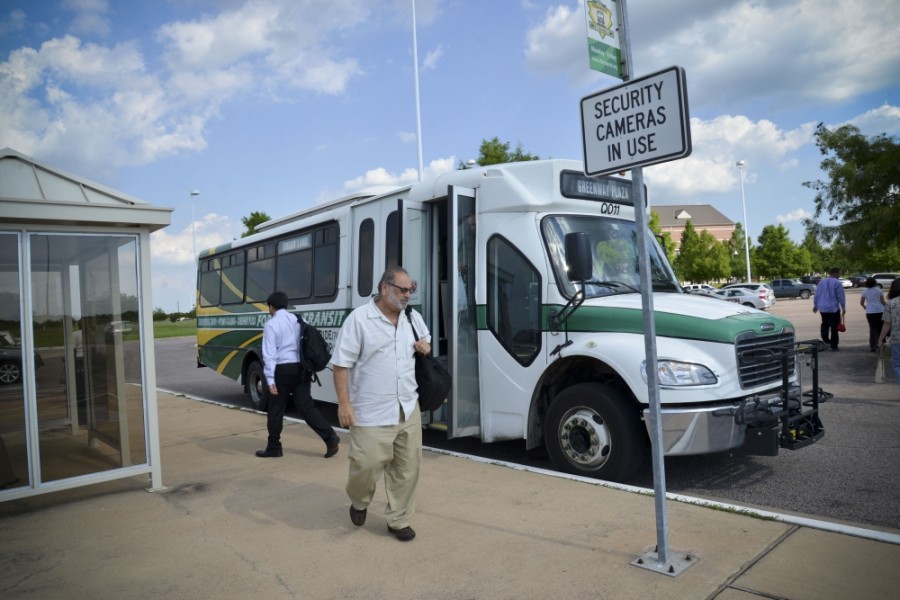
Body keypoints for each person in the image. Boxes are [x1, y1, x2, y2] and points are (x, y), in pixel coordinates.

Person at [331, 267, 431, 542]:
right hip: (370, 410)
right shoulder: (360, 320)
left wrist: (425, 347)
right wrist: (344, 405)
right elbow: (340, 365)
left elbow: (426, 342)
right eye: (402, 289)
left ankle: (398, 519)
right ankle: (359, 500)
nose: (407, 295)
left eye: (411, 289)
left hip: (407, 406)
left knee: (407, 468)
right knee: (365, 464)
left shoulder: (413, 317)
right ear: (384, 287)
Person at [255, 291, 340, 459]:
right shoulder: (299, 320)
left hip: (282, 370)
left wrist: (270, 379)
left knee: (276, 409)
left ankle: (274, 447)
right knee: (306, 407)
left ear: (271, 307)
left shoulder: (271, 325)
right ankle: (330, 437)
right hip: (302, 369)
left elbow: (269, 355)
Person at [812, 267, 846, 351]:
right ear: (836, 273)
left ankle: (826, 341)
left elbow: (817, 294)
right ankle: (834, 346)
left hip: (823, 308)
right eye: (839, 273)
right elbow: (841, 296)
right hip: (833, 308)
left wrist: (815, 305)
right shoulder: (837, 283)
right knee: (834, 327)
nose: (840, 274)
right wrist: (843, 307)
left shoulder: (821, 282)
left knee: (825, 324)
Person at [877, 278, 900, 385]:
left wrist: (881, 339)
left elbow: (887, 323)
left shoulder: (891, 303)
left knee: (898, 365)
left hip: (897, 338)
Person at [859, 277, 885, 351]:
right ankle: (881, 343)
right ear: (875, 283)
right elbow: (882, 301)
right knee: (880, 328)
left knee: (872, 329)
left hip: (870, 312)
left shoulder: (865, 291)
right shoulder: (879, 290)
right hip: (880, 310)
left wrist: (865, 307)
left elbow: (861, 302)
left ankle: (873, 345)